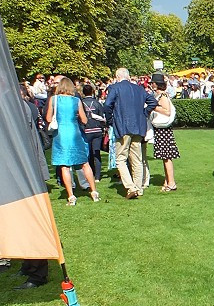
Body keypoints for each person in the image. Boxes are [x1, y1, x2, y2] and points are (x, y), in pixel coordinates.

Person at [102, 67, 158, 199]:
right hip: (138, 127)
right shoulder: (139, 88)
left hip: (122, 127)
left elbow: (107, 105)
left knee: (120, 159)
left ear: (117, 76)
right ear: (128, 76)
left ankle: (131, 186)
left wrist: (110, 120)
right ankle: (138, 188)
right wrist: (143, 114)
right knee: (137, 159)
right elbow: (153, 102)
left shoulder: (115, 88)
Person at [45, 77, 100, 206]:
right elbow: (85, 120)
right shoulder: (76, 100)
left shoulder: (54, 100)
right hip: (75, 132)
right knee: (84, 163)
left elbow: (48, 118)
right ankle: (94, 192)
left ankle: (71, 196)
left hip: (61, 134)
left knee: (65, 165)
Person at [148, 74, 180, 192]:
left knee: (166, 156)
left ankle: (171, 182)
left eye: (153, 82)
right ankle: (167, 181)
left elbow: (167, 111)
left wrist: (154, 107)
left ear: (157, 84)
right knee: (165, 156)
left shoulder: (162, 97)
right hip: (161, 130)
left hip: (163, 130)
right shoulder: (159, 96)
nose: (151, 84)